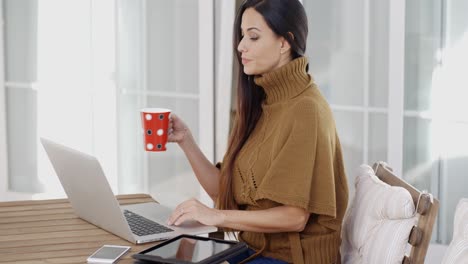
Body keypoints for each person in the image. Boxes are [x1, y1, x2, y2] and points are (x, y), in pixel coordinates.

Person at [166, 0, 349, 263]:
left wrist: (215, 215)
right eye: (242, 36)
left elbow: (295, 217)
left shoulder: (306, 110)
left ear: (285, 42)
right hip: (252, 252)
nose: (241, 46)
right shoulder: (264, 102)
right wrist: (186, 141)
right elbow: (224, 191)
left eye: (253, 36)